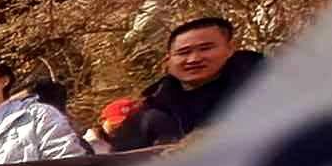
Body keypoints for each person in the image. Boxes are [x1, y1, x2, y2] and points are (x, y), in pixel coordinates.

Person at [95, 12, 261, 151]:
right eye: (183, 52)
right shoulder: (147, 116)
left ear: (230, 49)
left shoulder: (265, 90)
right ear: (168, 60)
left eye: (206, 48)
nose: (194, 58)